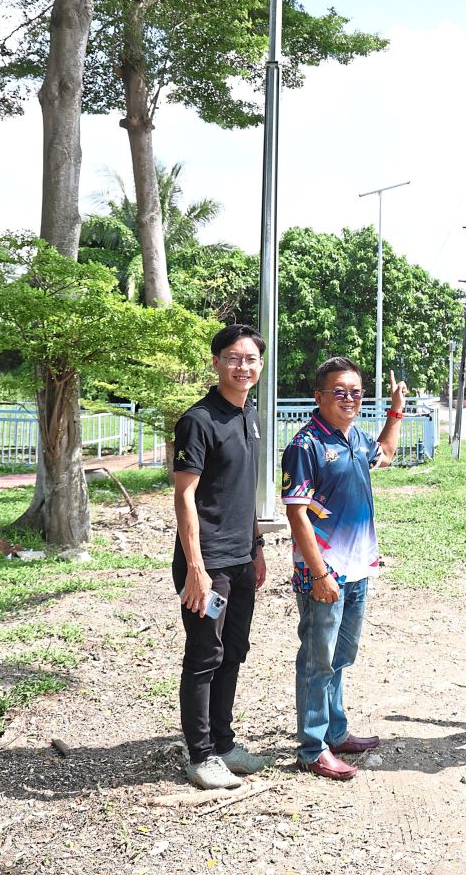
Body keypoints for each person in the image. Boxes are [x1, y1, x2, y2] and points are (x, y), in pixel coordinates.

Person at [281, 359, 408, 781]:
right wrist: (319, 574)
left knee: (341, 656)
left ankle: (336, 731)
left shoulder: (354, 437)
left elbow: (386, 455)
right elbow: (296, 514)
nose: (349, 398)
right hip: (324, 571)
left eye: (355, 391)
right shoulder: (306, 445)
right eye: (339, 391)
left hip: (357, 569)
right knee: (318, 659)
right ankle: (312, 748)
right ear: (319, 397)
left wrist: (395, 411)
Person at [172, 324, 268, 790]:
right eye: (233, 358)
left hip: (240, 561)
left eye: (250, 359)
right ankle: (200, 754)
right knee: (205, 653)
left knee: (234, 649)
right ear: (216, 362)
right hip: (207, 566)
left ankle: (225, 743)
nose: (242, 366)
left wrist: (257, 548)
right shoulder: (199, 420)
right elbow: (184, 497)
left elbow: (243, 492)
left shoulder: (249, 415)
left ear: (260, 366)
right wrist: (196, 570)